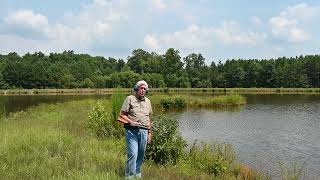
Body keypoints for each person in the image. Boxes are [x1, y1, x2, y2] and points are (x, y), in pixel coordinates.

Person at [119, 80, 153, 178]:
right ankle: (129, 176)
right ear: (137, 89)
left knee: (141, 155)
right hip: (132, 132)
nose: (143, 90)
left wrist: (150, 133)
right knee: (133, 154)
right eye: (141, 88)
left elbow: (149, 118)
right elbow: (121, 115)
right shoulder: (130, 98)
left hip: (144, 132)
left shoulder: (148, 101)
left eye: (145, 89)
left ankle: (137, 174)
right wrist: (131, 122)